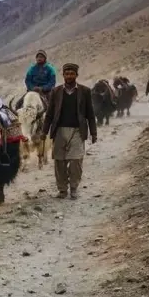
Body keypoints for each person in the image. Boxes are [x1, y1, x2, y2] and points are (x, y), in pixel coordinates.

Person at [41, 63, 97, 200]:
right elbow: (49, 114)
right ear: (63, 75)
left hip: (78, 131)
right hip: (59, 131)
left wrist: (94, 132)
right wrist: (44, 131)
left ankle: (73, 188)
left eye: (72, 74)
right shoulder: (56, 91)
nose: (69, 76)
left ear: (76, 75)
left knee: (76, 161)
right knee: (59, 162)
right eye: (67, 74)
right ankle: (62, 190)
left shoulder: (85, 91)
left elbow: (90, 113)